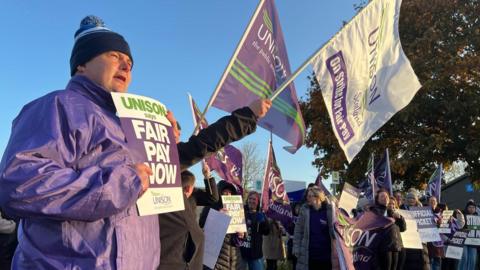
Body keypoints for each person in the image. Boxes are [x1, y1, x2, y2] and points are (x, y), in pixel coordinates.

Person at [0, 15, 272, 270]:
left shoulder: (127, 126)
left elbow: (187, 154)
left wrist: (165, 143)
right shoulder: (59, 106)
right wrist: (118, 185)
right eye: (114, 55)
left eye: (129, 61)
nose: (126, 65)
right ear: (82, 64)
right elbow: (19, 183)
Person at [159, 164, 218, 270]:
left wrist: (207, 176)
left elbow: (213, 198)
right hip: (168, 245)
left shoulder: (194, 194)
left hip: (188, 244)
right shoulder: (166, 194)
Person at [199, 180, 243, 270]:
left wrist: (241, 235)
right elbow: (202, 225)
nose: (228, 195)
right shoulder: (209, 207)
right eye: (225, 192)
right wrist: (218, 216)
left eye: (230, 192)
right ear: (219, 193)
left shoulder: (237, 210)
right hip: (214, 259)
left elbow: (237, 242)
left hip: (232, 259)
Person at [293, 186, 334, 270]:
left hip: (326, 256)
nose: (307, 198)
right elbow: (298, 231)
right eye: (307, 196)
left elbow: (334, 230)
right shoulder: (304, 211)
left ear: (318, 197)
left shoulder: (329, 211)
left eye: (310, 196)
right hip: (309, 255)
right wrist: (296, 248)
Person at [240, 191, 270, 270]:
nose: (251, 201)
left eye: (254, 199)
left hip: (255, 254)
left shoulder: (261, 214)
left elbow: (266, 232)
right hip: (241, 254)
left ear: (258, 202)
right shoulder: (241, 212)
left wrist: (264, 222)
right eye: (250, 198)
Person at [458, 200, 478, 270]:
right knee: (464, 258)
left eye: (473, 207)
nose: (471, 209)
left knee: (472, 260)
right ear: (467, 208)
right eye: (470, 207)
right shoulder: (462, 215)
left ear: (475, 209)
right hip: (464, 241)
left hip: (473, 242)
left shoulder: (478, 218)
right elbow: (459, 225)